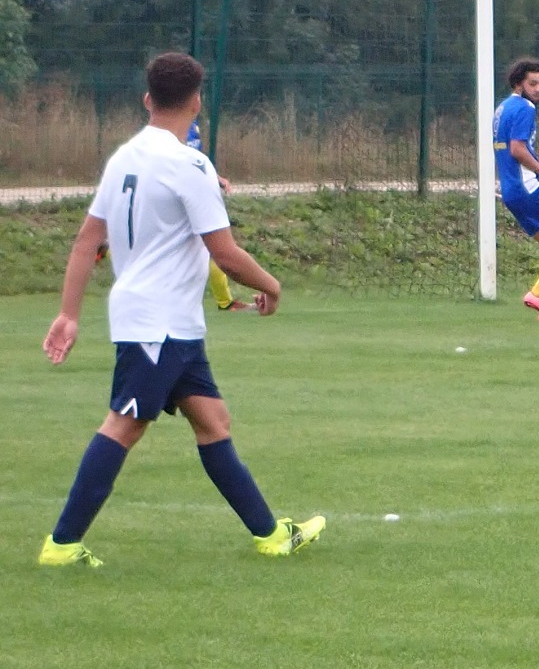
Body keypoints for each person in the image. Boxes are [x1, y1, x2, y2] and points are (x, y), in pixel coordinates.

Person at [37, 52, 324, 567]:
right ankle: (61, 545)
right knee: (124, 425)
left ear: (148, 99)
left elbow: (86, 242)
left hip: (171, 323)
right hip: (158, 323)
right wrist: (273, 286)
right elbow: (226, 255)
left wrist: (68, 313)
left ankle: (270, 535)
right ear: (197, 104)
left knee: (214, 422)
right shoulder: (191, 165)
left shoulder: (124, 158)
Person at [493, 57, 539, 321]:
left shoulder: (503, 108)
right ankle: (537, 294)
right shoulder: (525, 108)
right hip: (527, 187)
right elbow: (517, 149)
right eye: (532, 84)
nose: (538, 89)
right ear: (518, 83)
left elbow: (512, 149)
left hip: (511, 190)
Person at [186, 118, 255, 312]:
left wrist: (215, 178)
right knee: (214, 250)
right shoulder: (174, 125)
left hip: (196, 193)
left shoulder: (191, 124)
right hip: (186, 195)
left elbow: (194, 159)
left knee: (211, 250)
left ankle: (225, 302)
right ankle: (225, 302)